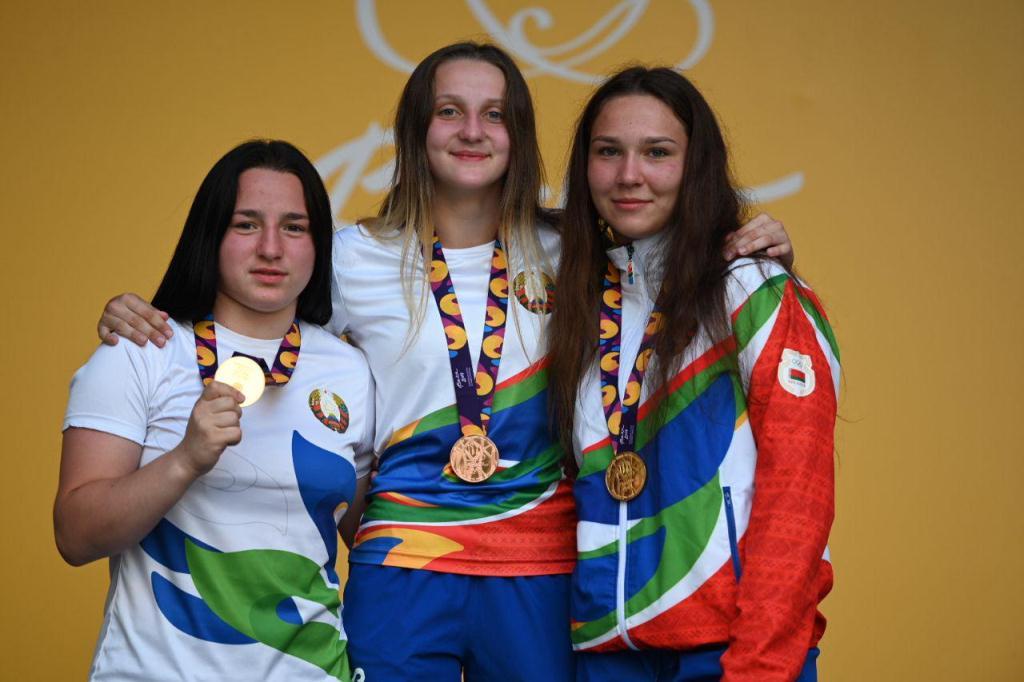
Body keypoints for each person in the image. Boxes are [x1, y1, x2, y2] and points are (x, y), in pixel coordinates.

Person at [91, 44, 795, 681]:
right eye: (449, 111)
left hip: (540, 567)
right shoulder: (350, 258)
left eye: (495, 114)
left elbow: (673, 263)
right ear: (415, 130)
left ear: (519, 134)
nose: (471, 131)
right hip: (401, 562)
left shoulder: (578, 252)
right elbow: (251, 312)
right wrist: (144, 314)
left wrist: (762, 241)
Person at [547, 66, 840, 682]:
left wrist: (761, 663)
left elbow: (800, 494)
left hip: (733, 651)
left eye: (658, 152)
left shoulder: (752, 288)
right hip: (605, 656)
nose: (629, 175)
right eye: (608, 152)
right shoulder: (575, 303)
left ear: (696, 165)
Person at [55, 140, 373, 681]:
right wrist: (185, 460)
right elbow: (75, 536)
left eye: (294, 227)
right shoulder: (142, 351)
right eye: (246, 224)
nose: (271, 248)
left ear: (319, 243)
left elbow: (371, 537)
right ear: (210, 235)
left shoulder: (351, 369)